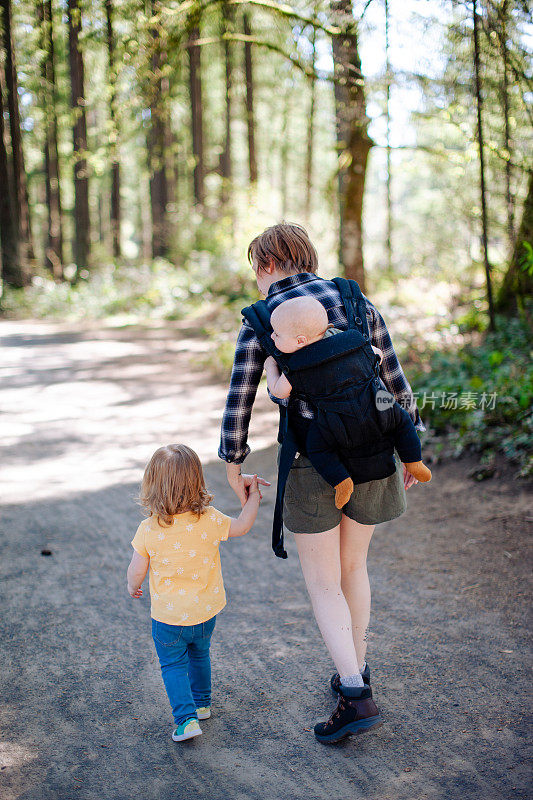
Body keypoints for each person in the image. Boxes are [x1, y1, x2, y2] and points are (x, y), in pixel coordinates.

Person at [219, 222, 425, 744]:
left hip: (317, 465)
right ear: (307, 258)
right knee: (353, 565)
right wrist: (410, 443)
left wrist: (233, 462)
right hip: (376, 455)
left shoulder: (264, 319)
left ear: (266, 265)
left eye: (256, 270)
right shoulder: (355, 299)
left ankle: (354, 694)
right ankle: (354, 666)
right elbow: (393, 378)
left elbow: (240, 394)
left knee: (323, 581)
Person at [126, 443, 261, 742]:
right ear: (196, 481)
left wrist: (132, 586)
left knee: (173, 665)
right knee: (200, 654)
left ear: (152, 485)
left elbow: (137, 569)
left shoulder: (148, 529)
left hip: (168, 619)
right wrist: (253, 497)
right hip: (205, 613)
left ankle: (186, 719)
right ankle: (202, 704)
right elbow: (242, 525)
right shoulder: (209, 519)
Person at [263, 295, 431, 509]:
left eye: (277, 333)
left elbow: (279, 392)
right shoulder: (352, 340)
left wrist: (270, 367)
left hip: (335, 422)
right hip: (377, 405)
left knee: (316, 449)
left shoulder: (297, 365)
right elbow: (377, 354)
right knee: (402, 422)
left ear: (300, 341)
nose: (272, 336)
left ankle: (341, 482)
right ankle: (414, 462)